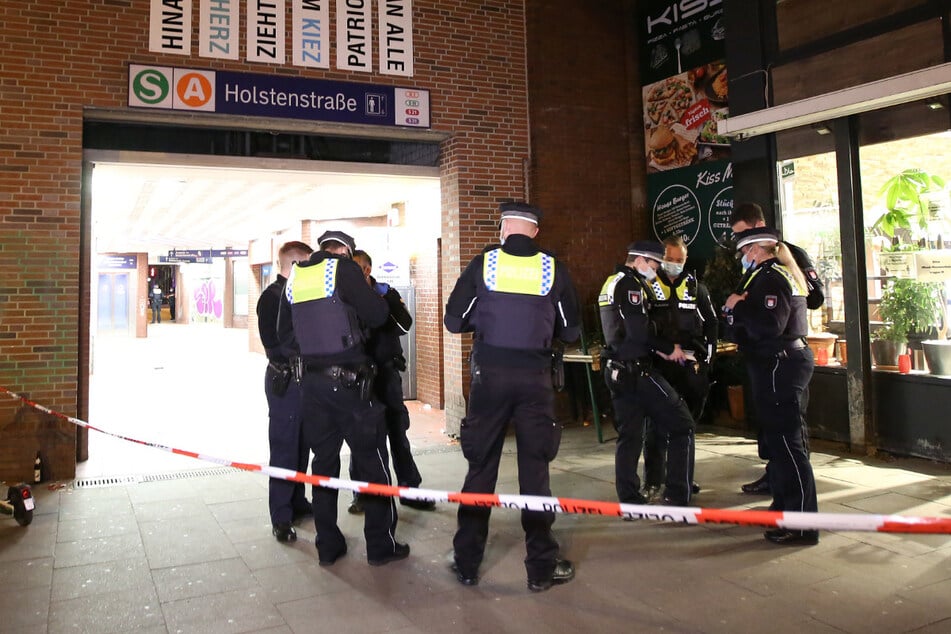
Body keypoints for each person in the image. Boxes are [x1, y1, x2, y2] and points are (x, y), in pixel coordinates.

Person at [444, 202, 580, 593]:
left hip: (489, 379)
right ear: (535, 232)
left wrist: (486, 316)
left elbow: (454, 321)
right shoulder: (553, 268)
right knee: (535, 474)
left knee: (481, 469)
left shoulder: (483, 264)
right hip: (535, 379)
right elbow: (570, 332)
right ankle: (540, 568)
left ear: (504, 229)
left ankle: (467, 562)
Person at [282, 230, 409, 567]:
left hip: (311, 386)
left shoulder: (296, 276)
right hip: (351, 385)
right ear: (344, 252)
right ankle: (381, 545)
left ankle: (328, 544)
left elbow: (285, 332)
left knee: (323, 465)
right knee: (372, 461)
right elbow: (378, 316)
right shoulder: (344, 269)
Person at [723, 227, 819, 545]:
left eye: (744, 252)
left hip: (781, 365)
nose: (742, 258)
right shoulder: (769, 275)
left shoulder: (771, 277)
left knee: (788, 446)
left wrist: (738, 307)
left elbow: (769, 324)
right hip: (776, 364)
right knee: (780, 446)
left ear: (755, 251)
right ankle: (783, 508)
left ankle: (801, 524)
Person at [730, 202, 824, 496]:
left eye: (743, 240)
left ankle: (795, 501)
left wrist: (742, 307)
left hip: (782, 357)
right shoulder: (765, 270)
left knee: (789, 437)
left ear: (758, 234)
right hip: (767, 358)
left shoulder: (783, 263)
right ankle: (780, 485)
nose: (741, 250)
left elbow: (811, 299)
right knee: (778, 435)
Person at [598, 240, 695, 509]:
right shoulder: (630, 284)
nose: (657, 270)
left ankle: (629, 497)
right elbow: (638, 331)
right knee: (682, 424)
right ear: (640, 261)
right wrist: (668, 348)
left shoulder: (610, 282)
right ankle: (677, 493)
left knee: (630, 435)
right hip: (636, 371)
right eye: (654, 264)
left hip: (616, 369)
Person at [347, 249, 435, 515]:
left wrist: (383, 299)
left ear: (367, 270)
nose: (353, 274)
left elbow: (404, 324)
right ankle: (362, 493)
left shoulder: (386, 292)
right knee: (362, 437)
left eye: (357, 268)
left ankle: (410, 490)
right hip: (360, 378)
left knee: (397, 434)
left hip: (386, 375)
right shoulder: (347, 297)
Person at [641, 235, 718, 503]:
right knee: (656, 426)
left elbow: (711, 324)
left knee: (686, 425)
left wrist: (708, 361)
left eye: (679, 260)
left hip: (689, 365)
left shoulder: (696, 287)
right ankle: (653, 480)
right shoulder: (648, 284)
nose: (674, 264)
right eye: (669, 259)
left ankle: (682, 477)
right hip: (659, 364)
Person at [256, 240, 314, 543]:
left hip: (304, 381)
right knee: (284, 447)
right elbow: (272, 344)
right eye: (307, 263)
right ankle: (280, 515)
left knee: (302, 444)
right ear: (295, 265)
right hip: (285, 381)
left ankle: (297, 502)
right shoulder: (273, 297)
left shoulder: (298, 293)